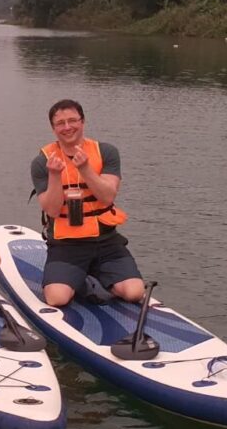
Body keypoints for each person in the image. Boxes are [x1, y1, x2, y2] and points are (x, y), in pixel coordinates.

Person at [30, 99, 145, 307]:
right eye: (60, 123)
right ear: (53, 128)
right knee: (57, 298)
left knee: (134, 293)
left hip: (106, 240)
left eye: (72, 120)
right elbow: (53, 210)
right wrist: (55, 176)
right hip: (67, 244)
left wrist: (85, 169)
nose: (67, 127)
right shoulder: (42, 162)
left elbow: (107, 197)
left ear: (83, 122)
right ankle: (79, 278)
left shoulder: (107, 152)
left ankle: (96, 273)